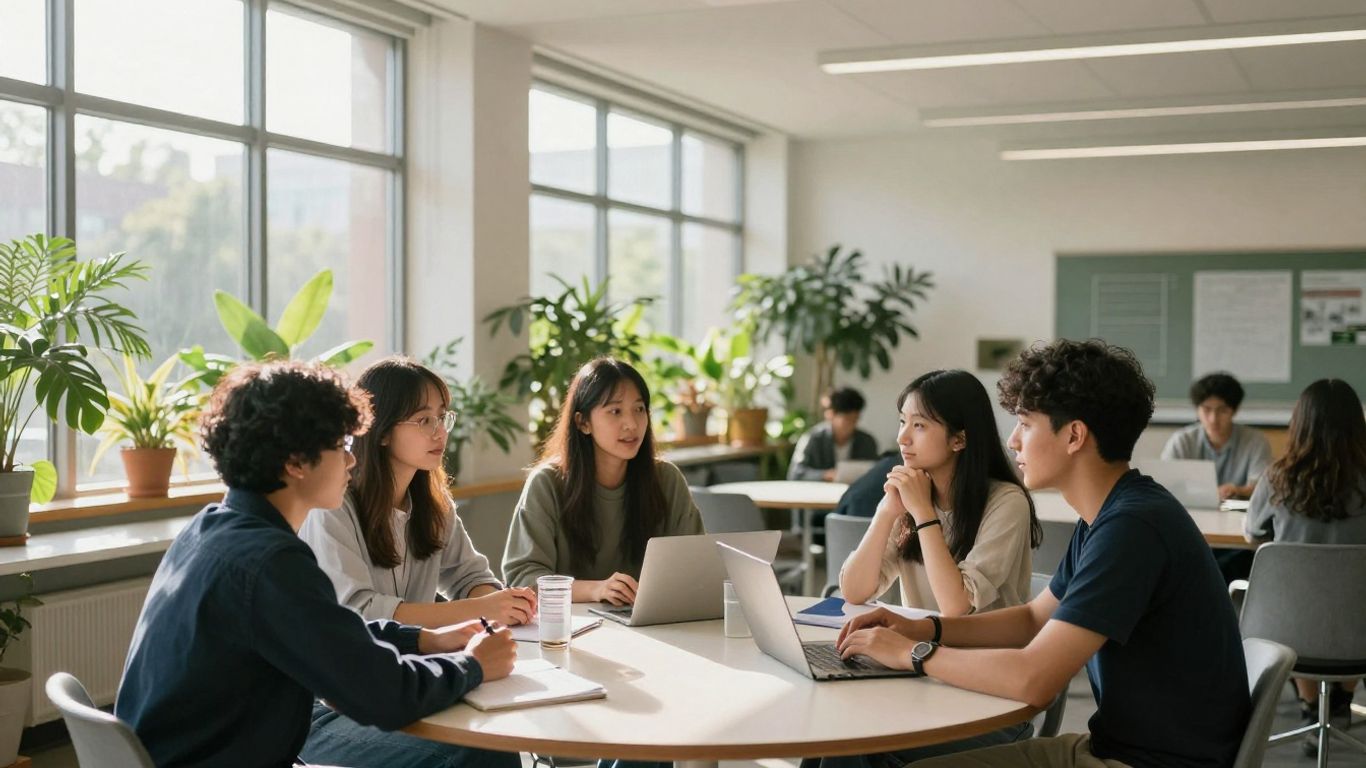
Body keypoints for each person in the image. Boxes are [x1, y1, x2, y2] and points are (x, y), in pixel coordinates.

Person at [836, 339, 1249, 768]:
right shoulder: (1108, 517)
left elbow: (1033, 680)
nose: (1013, 440)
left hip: (1149, 763)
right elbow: (1033, 619)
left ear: (1074, 436)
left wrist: (911, 653)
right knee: (851, 751)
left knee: (862, 756)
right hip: (1113, 747)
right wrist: (920, 628)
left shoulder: (1133, 527)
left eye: (1025, 424)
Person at [116, 360, 518, 768]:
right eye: (341, 446)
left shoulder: (213, 528)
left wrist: (423, 640)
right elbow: (383, 694)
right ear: (295, 462)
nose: (351, 461)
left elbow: (328, 631)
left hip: (200, 753)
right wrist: (472, 666)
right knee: (480, 751)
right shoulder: (270, 562)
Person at [299, 357, 538, 766]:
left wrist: (495, 610)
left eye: (442, 417)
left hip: (407, 680)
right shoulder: (333, 505)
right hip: (326, 707)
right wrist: (481, 608)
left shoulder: (432, 501)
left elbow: (470, 576)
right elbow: (359, 612)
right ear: (382, 430)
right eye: (424, 419)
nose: (440, 431)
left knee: (498, 734)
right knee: (476, 750)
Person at [839, 370, 1040, 617]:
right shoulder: (910, 494)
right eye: (903, 422)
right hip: (919, 639)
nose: (902, 438)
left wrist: (923, 513)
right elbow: (854, 592)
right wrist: (886, 512)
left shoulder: (1007, 502)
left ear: (959, 440)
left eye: (919, 425)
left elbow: (956, 608)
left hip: (983, 641)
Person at [502, 357, 703, 604]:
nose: (631, 424)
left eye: (639, 409)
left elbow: (696, 566)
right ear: (583, 422)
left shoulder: (667, 479)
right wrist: (596, 590)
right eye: (615, 411)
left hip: (650, 621)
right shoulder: (547, 484)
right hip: (570, 623)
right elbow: (523, 579)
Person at [1245, 378, 1366, 755]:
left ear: (1299, 424)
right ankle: (1342, 702)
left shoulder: (1276, 478)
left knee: (1298, 598)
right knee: (1351, 600)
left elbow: (1253, 534)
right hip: (1360, 633)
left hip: (1290, 632)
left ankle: (1311, 706)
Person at [1161, 372, 1271, 501]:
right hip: (1190, 510)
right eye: (1206, 410)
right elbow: (1164, 484)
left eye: (1222, 410)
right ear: (1197, 410)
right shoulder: (1182, 441)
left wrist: (1237, 490)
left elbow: (1263, 487)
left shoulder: (1255, 441)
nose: (1213, 419)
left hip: (1238, 510)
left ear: (1234, 411)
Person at [789, 387, 880, 481]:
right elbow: (796, 474)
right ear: (831, 415)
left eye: (855, 418)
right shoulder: (814, 439)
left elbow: (875, 472)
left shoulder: (866, 441)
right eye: (847, 419)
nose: (852, 423)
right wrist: (825, 475)